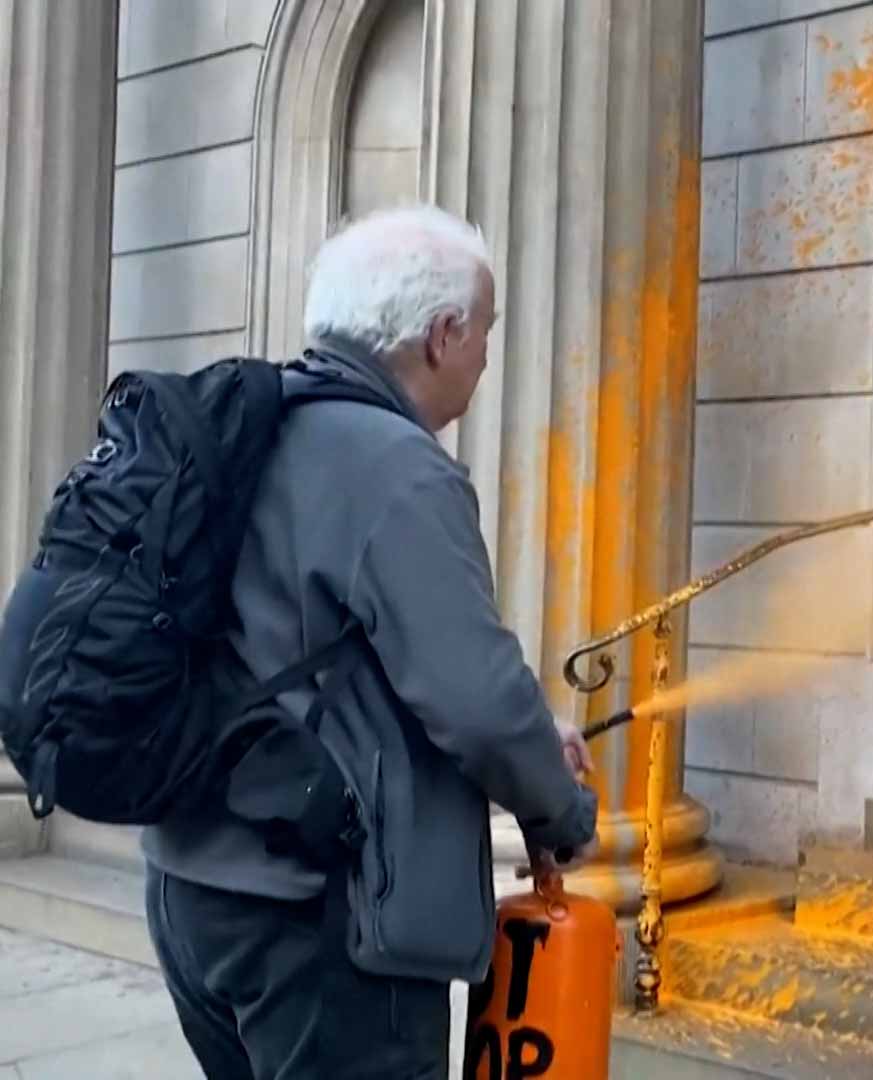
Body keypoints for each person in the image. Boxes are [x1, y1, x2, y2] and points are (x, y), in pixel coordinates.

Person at [140, 204, 600, 1079]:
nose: (488, 358)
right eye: (487, 332)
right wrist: (560, 811)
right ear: (442, 335)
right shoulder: (397, 467)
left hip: (192, 891)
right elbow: (477, 702)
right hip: (321, 925)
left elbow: (329, 664)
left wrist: (533, 742)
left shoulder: (250, 429)